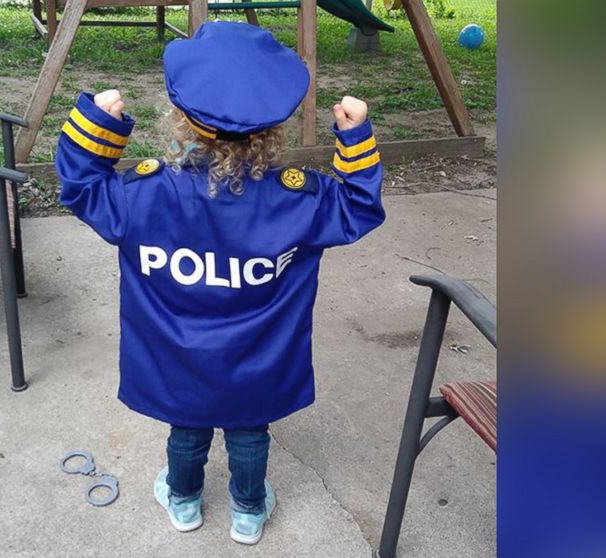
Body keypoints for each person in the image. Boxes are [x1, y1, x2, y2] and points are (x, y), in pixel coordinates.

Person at [55, 21, 384, 545]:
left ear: (181, 119)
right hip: (257, 362)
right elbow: (360, 206)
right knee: (250, 431)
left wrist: (97, 125)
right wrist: (355, 134)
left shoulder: (143, 196)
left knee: (186, 430)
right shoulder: (302, 201)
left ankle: (183, 502)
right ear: (271, 128)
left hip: (179, 363)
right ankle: (248, 513)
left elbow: (81, 189)